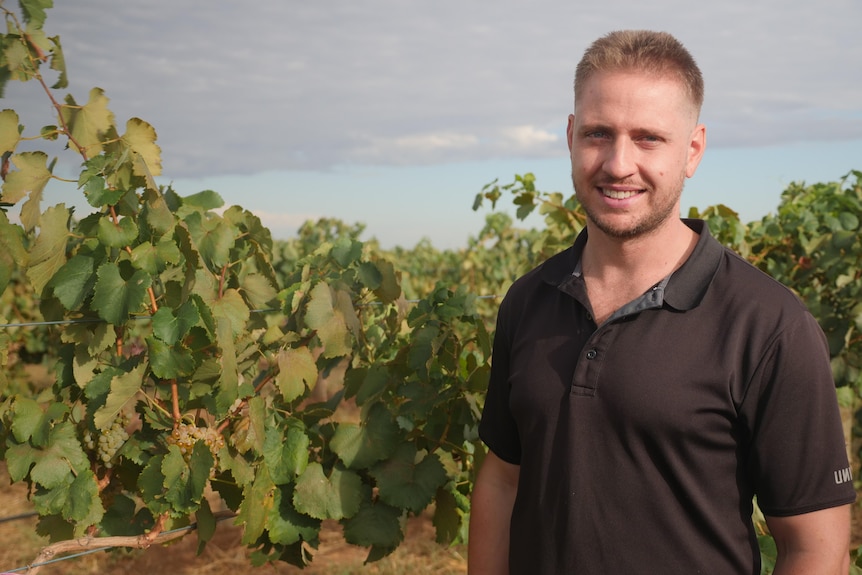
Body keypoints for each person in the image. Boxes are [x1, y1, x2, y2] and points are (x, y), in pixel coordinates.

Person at [468, 30, 856, 574]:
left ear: (693, 150)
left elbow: (816, 548)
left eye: (649, 138)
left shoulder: (768, 326)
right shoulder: (528, 300)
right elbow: (504, 479)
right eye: (599, 134)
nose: (619, 163)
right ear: (572, 137)